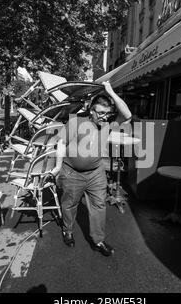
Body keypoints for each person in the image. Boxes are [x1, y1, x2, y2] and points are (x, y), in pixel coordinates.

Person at [51, 81, 132, 257]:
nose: (104, 116)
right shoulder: (76, 122)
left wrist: (110, 90)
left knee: (99, 206)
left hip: (96, 172)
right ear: (91, 110)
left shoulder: (108, 125)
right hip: (72, 172)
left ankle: (98, 240)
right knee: (70, 204)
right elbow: (61, 143)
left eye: (107, 113)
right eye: (101, 113)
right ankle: (68, 231)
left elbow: (127, 114)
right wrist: (57, 166)